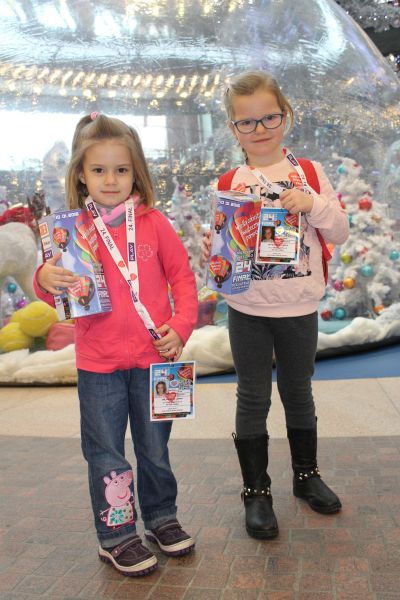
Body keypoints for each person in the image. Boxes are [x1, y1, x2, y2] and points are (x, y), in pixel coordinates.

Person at [34, 113, 199, 576]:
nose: (111, 180)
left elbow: (184, 280)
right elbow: (56, 292)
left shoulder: (155, 223)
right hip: (99, 364)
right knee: (106, 452)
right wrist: (44, 278)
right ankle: (116, 536)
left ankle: (161, 517)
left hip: (156, 361)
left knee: (155, 449)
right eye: (99, 170)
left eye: (121, 169)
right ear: (81, 176)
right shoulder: (70, 231)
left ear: (136, 172)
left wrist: (181, 326)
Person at [202, 71, 349, 539]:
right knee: (252, 396)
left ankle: (306, 476)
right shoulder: (229, 182)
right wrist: (216, 248)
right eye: (247, 122)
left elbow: (340, 231)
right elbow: (222, 253)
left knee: (298, 391)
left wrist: (312, 204)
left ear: (285, 117)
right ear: (233, 128)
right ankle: (256, 491)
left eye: (269, 117)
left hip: (299, 305)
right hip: (247, 308)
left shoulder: (309, 173)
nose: (260, 128)